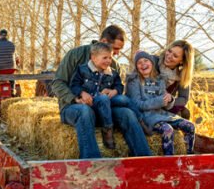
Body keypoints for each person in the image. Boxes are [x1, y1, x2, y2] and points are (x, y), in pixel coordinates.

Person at [51, 25, 153, 159]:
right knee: (84, 111)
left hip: (105, 111)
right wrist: (75, 98)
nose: (116, 54)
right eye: (116, 48)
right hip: (74, 108)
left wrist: (113, 91)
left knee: (127, 113)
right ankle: (93, 164)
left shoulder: (113, 64)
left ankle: (145, 162)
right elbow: (57, 83)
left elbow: (118, 87)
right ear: (104, 42)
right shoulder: (75, 55)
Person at [69, 42, 143, 150]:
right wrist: (82, 93)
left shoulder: (113, 73)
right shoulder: (82, 70)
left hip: (108, 103)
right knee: (103, 98)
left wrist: (115, 91)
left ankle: (140, 120)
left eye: (110, 57)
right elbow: (74, 85)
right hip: (92, 103)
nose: (108, 61)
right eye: (105, 57)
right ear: (93, 58)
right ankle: (108, 130)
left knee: (123, 98)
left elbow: (119, 86)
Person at [126, 51, 196, 155]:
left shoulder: (159, 79)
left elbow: (166, 105)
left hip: (162, 114)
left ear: (152, 63)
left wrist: (170, 100)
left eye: (146, 60)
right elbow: (137, 104)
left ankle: (188, 156)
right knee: (167, 130)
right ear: (136, 67)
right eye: (139, 62)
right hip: (146, 117)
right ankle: (168, 161)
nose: (143, 64)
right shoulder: (134, 81)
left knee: (190, 126)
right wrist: (159, 101)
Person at [156, 40, 195, 119]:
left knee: (185, 112)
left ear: (182, 61)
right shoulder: (153, 62)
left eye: (175, 56)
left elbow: (184, 99)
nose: (169, 56)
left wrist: (170, 99)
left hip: (165, 105)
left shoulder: (182, 75)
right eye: (169, 51)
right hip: (146, 102)